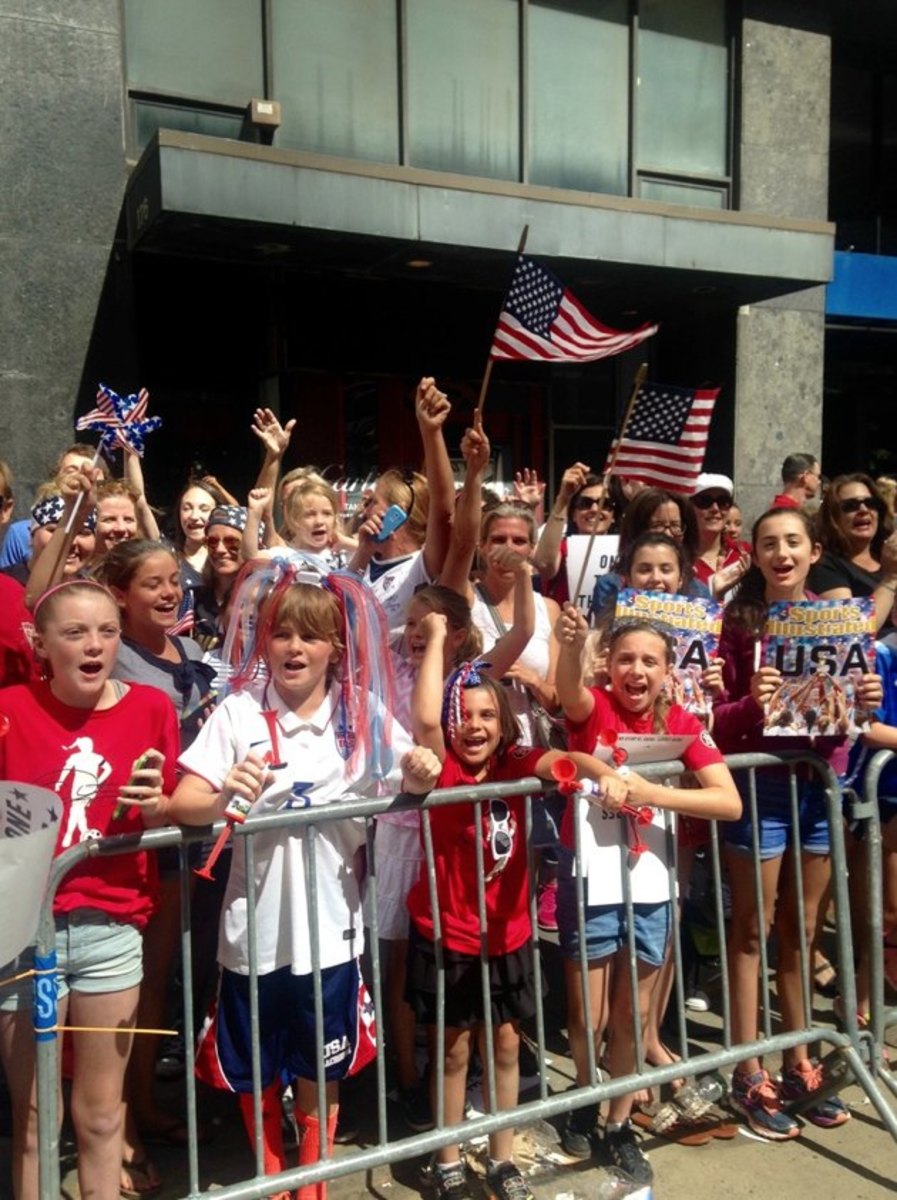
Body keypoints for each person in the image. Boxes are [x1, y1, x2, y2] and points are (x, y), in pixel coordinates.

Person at [169, 558, 440, 1200]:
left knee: (324, 1058)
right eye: (282, 633)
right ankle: (269, 1175)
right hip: (254, 930)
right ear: (264, 639)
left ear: (335, 648)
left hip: (333, 930)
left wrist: (423, 768)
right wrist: (218, 798)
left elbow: (411, 769)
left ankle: (311, 1180)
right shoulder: (237, 712)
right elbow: (182, 802)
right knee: (258, 1063)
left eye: (310, 636)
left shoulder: (362, 709)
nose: (294, 647)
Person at [407, 627, 629, 1200]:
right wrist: (435, 639)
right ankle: (448, 1157)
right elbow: (428, 717)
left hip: (508, 935)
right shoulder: (443, 770)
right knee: (455, 1049)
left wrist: (602, 775)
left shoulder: (518, 763)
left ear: (505, 724)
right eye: (466, 715)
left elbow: (567, 758)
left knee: (506, 1045)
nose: (474, 727)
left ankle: (503, 1159)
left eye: (487, 715)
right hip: (449, 932)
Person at [0, 578, 179, 1200]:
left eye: (106, 630)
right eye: (74, 633)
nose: (94, 645)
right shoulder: (10, 709)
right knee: (32, 1121)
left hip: (112, 931)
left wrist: (160, 806)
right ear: (40, 643)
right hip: (23, 936)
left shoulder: (153, 707)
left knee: (102, 1116)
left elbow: (173, 807)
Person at [550, 611, 739, 1185]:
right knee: (588, 1013)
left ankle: (618, 1120)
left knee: (632, 1015)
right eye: (626, 658)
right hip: (591, 877)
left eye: (650, 661)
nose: (637, 670)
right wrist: (572, 646)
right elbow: (567, 692)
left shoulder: (681, 723)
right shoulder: (596, 706)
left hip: (651, 882)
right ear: (609, 663)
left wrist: (649, 790)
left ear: (666, 670)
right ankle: (586, 1093)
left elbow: (728, 801)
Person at [712, 508, 883, 1139]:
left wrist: (861, 704)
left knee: (802, 933)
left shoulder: (842, 621)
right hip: (758, 793)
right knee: (752, 930)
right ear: (753, 555)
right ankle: (746, 1068)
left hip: (816, 790)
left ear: (815, 551)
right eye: (768, 544)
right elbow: (715, 723)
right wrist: (747, 703)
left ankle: (799, 1057)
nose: (781, 552)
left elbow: (841, 729)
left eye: (793, 542)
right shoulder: (737, 624)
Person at [348, 377, 455, 635]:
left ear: (399, 513)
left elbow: (443, 510)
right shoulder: (359, 562)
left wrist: (431, 432)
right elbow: (332, 611)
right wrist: (362, 553)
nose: (364, 511)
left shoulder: (421, 567)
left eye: (373, 502)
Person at [590, 486, 704, 618]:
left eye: (675, 526)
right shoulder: (611, 585)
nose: (668, 534)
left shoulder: (699, 590)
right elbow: (607, 634)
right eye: (657, 526)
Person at [808, 473, 897, 634]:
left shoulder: (886, 556)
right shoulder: (826, 564)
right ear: (833, 517)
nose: (863, 510)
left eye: (870, 503)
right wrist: (891, 579)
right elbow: (852, 630)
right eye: (850, 506)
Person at [532, 464, 616, 606]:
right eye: (585, 503)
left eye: (605, 504)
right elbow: (544, 565)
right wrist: (563, 499)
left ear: (614, 516)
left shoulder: (626, 552)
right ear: (573, 515)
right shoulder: (562, 549)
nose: (595, 509)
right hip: (563, 625)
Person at [690, 474, 750, 600]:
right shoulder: (679, 559)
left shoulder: (746, 553)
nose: (715, 508)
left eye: (723, 502)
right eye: (704, 501)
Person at [171, 478, 227, 590]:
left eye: (204, 509)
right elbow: (140, 503)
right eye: (186, 508)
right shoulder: (167, 554)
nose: (194, 516)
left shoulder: (229, 558)